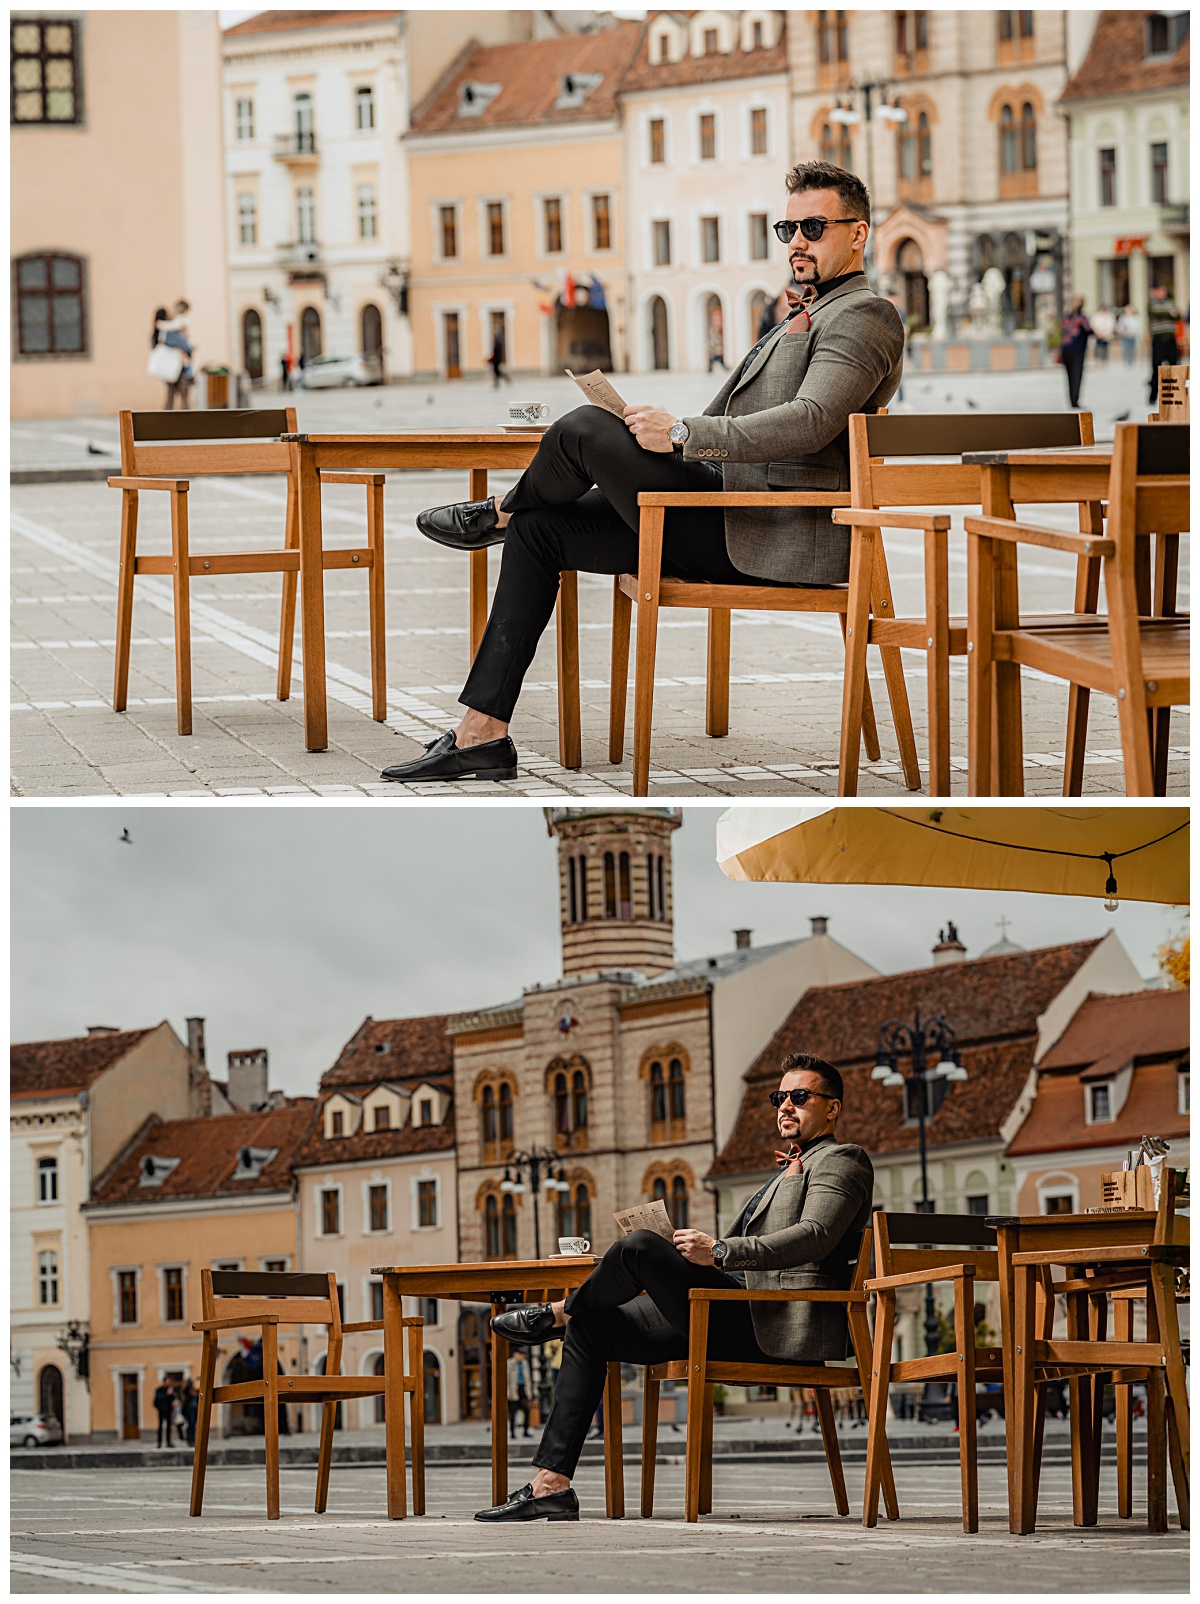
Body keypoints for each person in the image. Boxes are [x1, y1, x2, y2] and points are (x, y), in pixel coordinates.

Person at [382, 160, 904, 783]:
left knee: (581, 429)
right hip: (720, 512)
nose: (796, 241)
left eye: (813, 226)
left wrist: (681, 433)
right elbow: (728, 421)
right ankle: (481, 735)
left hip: (768, 532)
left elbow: (811, 420)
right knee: (540, 531)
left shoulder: (866, 316)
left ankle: (499, 511)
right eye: (786, 227)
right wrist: (652, 432)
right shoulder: (800, 314)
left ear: (857, 234)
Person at [473, 1050, 873, 1522]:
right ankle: (551, 1485)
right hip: (729, 1305)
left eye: (800, 1096)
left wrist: (719, 1251)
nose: (786, 1105)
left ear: (832, 1107)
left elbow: (816, 1236)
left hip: (776, 1321)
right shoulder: (784, 1167)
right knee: (593, 1325)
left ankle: (557, 1313)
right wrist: (699, 1254)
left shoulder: (842, 1160)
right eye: (779, 1097)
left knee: (639, 1247)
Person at [157, 300, 195, 411]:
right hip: (175, 365)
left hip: (178, 365)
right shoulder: (175, 327)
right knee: (177, 395)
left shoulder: (181, 321)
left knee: (178, 395)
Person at [1147, 283, 1180, 405]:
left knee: (1174, 367)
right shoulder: (1152, 304)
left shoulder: (1170, 302)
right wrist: (1168, 313)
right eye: (1160, 291)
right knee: (1156, 367)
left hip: (1170, 338)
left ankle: (1175, 395)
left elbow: (1177, 315)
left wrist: (1169, 313)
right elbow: (1155, 313)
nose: (1162, 293)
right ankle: (1153, 396)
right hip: (1158, 339)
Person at [1059, 296, 1092, 410]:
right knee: (1076, 375)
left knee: (1070, 375)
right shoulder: (1081, 318)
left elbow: (1063, 333)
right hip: (1076, 350)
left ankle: (1073, 400)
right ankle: (1074, 400)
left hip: (1067, 349)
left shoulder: (1067, 318)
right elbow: (1089, 331)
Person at [507, 1352, 533, 1440]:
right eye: (520, 1354)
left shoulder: (525, 1363)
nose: (521, 1356)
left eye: (523, 1355)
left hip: (523, 1389)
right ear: (515, 1354)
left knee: (526, 1410)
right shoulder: (510, 1363)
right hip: (513, 1389)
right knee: (512, 1412)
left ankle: (526, 1430)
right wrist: (508, 1392)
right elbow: (506, 1378)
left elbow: (528, 1379)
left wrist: (529, 1392)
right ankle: (512, 1432)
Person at [153, 1381, 176, 1448]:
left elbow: (172, 1399)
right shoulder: (159, 1390)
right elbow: (157, 1400)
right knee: (160, 1427)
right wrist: (167, 1394)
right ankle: (159, 1442)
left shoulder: (170, 1389)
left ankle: (168, 1442)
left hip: (168, 1411)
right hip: (161, 1411)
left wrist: (172, 1394)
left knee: (169, 1427)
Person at [182, 1377, 199, 1446]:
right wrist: (193, 1380)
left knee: (193, 1425)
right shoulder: (187, 1391)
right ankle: (189, 1439)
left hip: (194, 1409)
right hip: (189, 1409)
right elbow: (186, 1390)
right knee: (190, 1424)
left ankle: (193, 1439)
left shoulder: (194, 1391)